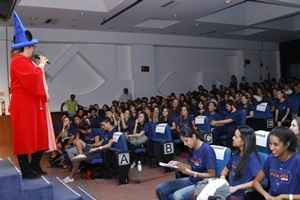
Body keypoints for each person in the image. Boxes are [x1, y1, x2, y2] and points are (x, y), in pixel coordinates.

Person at [9, 12, 50, 179]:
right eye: (32, 46)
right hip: (23, 105)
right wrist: (39, 68)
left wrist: (38, 67)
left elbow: (35, 78)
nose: (34, 49)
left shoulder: (27, 62)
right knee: (24, 138)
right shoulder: (17, 61)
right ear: (26, 47)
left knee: (40, 136)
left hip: (33, 104)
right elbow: (32, 79)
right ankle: (26, 170)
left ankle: (34, 165)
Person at [156, 126, 216, 200]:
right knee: (161, 189)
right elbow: (193, 167)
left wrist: (192, 173)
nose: (185, 144)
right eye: (183, 141)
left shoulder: (207, 150)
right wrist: (179, 164)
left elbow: (212, 175)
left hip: (203, 183)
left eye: (186, 140)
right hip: (193, 180)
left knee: (177, 196)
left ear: (194, 136)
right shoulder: (193, 148)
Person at [253, 127, 300, 200]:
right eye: (270, 144)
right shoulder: (270, 158)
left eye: (276, 144)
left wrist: (285, 197)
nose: (271, 148)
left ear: (287, 144)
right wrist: (266, 195)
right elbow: (256, 182)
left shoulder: (297, 161)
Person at [220, 126, 262, 200]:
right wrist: (223, 177)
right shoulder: (235, 154)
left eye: (236, 137)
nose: (233, 138)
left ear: (244, 141)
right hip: (229, 191)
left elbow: (257, 181)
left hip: (240, 195)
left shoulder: (252, 159)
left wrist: (236, 188)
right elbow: (225, 170)